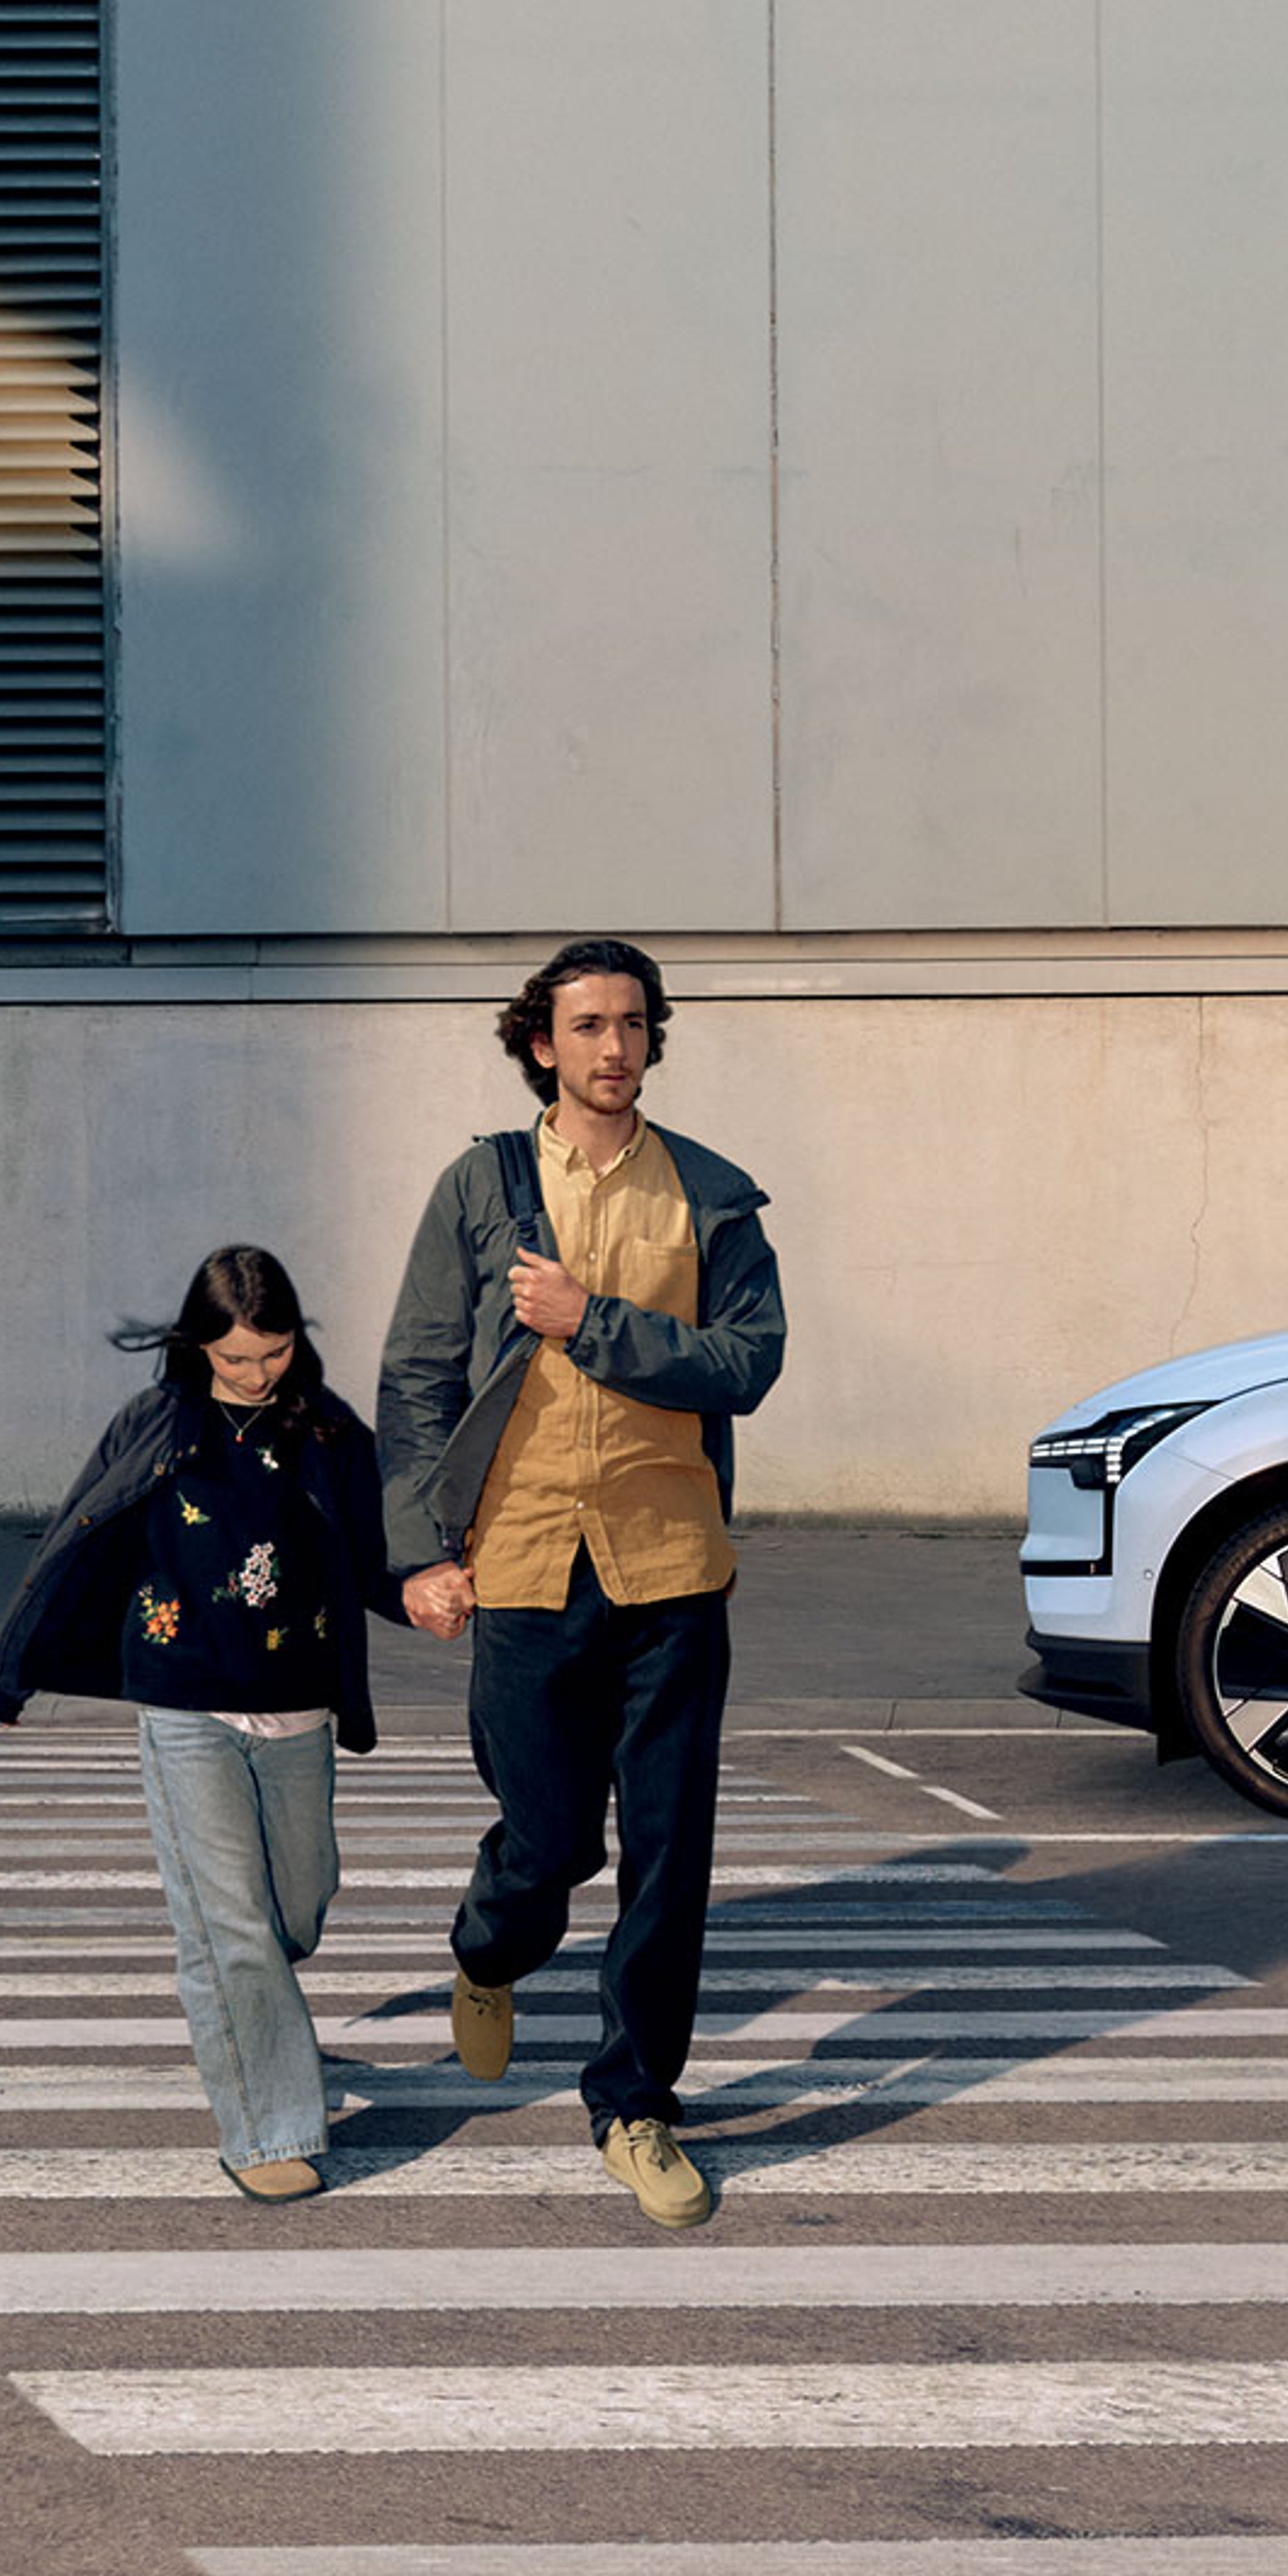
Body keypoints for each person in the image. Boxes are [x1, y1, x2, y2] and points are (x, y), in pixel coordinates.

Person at [379, 936, 784, 2228]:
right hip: (523, 1563)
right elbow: (416, 1379)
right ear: (541, 1043)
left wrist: (591, 1320)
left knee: (669, 1858)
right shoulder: (484, 1187)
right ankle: (489, 1949)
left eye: (633, 1022)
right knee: (549, 1838)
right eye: (588, 1024)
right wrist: (418, 1557)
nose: (614, 1046)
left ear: (655, 1039)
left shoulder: (711, 1196)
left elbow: (744, 1364)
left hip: (669, 1567)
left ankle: (635, 2102)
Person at [0, 1245, 410, 2203]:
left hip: (297, 1700)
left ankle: (256, 2024)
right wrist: (8, 1682)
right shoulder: (159, 1422)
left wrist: (425, 1591)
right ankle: (267, 2128)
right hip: (185, 1703)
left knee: (294, 1909)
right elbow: (76, 1537)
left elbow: (376, 1553)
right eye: (236, 1359)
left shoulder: (331, 1433)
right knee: (230, 1930)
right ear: (199, 1347)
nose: (257, 1374)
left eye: (274, 1353)